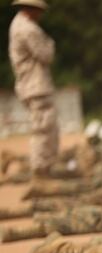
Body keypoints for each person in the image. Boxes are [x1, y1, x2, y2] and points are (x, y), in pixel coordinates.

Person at [8, 0, 58, 178]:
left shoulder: (17, 24)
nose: (40, 14)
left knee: (43, 126)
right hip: (35, 85)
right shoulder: (29, 29)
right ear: (31, 9)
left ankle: (44, 167)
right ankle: (41, 170)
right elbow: (46, 55)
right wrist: (50, 43)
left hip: (29, 84)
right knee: (43, 128)